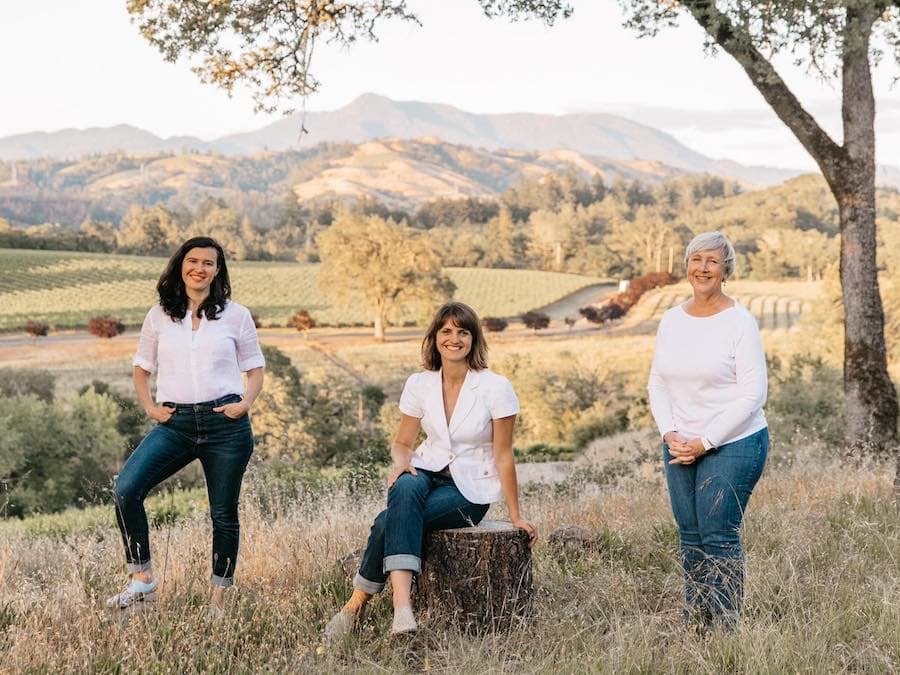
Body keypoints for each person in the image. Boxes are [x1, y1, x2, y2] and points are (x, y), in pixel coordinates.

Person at [324, 301, 537, 639]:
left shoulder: (496, 387)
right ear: (435, 338)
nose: (454, 339)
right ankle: (402, 610)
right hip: (426, 469)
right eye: (446, 331)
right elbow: (403, 442)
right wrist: (402, 464)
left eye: (463, 331)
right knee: (405, 487)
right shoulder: (420, 383)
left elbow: (504, 455)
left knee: (386, 521)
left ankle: (354, 606)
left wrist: (516, 515)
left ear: (474, 339)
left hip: (469, 489)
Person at [106, 236, 265, 617]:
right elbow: (142, 367)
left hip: (225, 426)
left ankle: (217, 603)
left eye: (209, 263)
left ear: (218, 270)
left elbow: (255, 368)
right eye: (193, 261)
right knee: (126, 489)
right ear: (181, 265)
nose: (200, 268)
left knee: (223, 514)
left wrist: (244, 404)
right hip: (175, 423)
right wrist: (150, 407)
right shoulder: (159, 315)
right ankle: (142, 579)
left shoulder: (236, 315)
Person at [648, 230, 768, 629]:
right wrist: (670, 433)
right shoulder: (671, 320)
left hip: (733, 442)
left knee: (717, 535)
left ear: (725, 271)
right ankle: (697, 623)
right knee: (690, 536)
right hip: (680, 443)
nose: (703, 268)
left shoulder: (739, 322)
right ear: (687, 266)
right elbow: (658, 382)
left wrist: (705, 442)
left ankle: (726, 630)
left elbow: (752, 395)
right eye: (697, 259)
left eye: (712, 261)